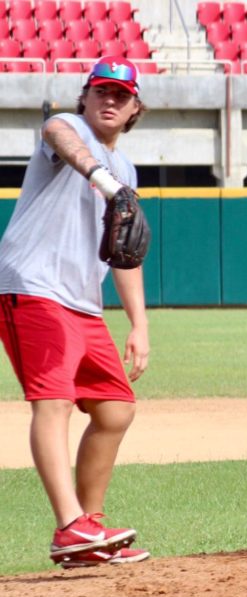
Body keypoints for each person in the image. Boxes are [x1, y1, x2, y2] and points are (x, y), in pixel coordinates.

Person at [0, 56, 150, 568]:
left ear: (135, 109)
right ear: (85, 96)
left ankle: (92, 526)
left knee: (115, 408)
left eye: (121, 95)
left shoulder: (126, 169)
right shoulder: (67, 129)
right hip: (34, 287)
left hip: (84, 304)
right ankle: (69, 526)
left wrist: (139, 324)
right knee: (55, 403)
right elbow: (60, 135)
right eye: (101, 91)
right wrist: (105, 183)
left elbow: (123, 253)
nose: (110, 100)